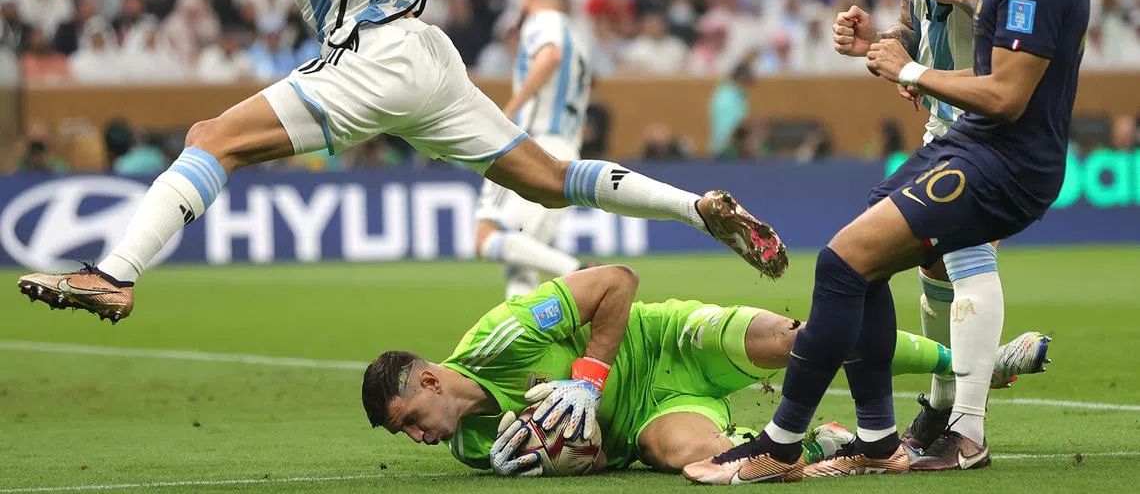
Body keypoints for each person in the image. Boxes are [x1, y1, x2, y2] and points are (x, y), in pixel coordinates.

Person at [17, 0, 787, 323]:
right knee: (548, 185)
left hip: (373, 57)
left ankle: (113, 276)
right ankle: (699, 208)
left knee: (209, 138)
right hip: (424, 60)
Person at [684, 0, 1088, 483]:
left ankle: (798, 442)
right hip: (959, 141)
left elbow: (1009, 89)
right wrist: (885, 46)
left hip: (998, 154)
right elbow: (920, 36)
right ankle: (883, 436)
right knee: (860, 263)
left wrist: (918, 67)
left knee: (851, 263)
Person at [361, 265, 1048, 477]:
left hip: (665, 340)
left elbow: (616, 282)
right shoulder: (479, 450)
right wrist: (575, 455)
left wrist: (588, 378)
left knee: (799, 340)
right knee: (707, 467)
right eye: (409, 438)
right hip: (645, 421)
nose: (422, 439)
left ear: (427, 383)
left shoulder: (501, 338)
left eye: (411, 423)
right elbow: (600, 457)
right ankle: (822, 445)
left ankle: (976, 367)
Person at [831, 0, 1022, 468]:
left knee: (965, 255)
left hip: (992, 128)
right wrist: (877, 41)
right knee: (933, 265)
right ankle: (943, 403)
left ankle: (968, 427)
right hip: (939, 126)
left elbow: (1029, 30)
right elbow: (920, 29)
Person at [473, 0, 592, 297]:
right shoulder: (577, 36)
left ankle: (579, 272)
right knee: (522, 261)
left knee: (486, 237)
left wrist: (511, 108)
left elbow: (549, 55)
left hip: (534, 147)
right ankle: (520, 343)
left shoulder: (544, 21)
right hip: (564, 148)